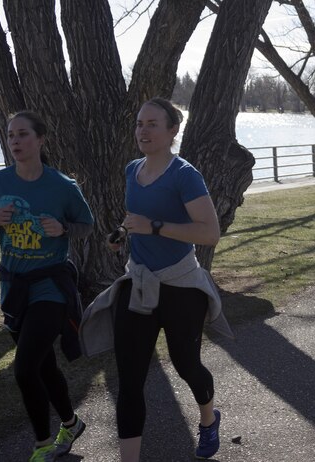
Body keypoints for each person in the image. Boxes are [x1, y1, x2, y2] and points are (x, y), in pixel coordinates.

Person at [80, 97, 231, 461]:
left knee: (186, 365)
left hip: (181, 286)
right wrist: (123, 232)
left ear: (172, 130)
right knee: (129, 380)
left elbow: (209, 234)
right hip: (139, 284)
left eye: (152, 124)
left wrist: (156, 228)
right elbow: (137, 217)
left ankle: (209, 419)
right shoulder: (133, 170)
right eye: (138, 123)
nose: (142, 131)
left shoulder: (185, 175)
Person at [0, 111, 94, 461]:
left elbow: (87, 225)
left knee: (24, 369)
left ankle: (42, 446)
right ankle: (71, 423)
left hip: (50, 287)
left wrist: (63, 229)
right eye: (11, 135)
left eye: (23, 134)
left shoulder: (62, 187)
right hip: (14, 288)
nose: (15, 142)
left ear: (40, 140)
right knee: (42, 365)